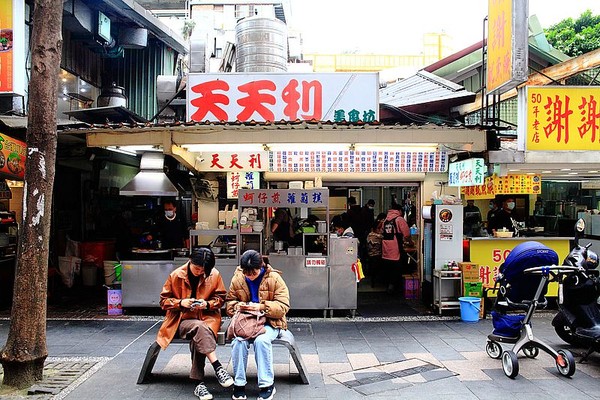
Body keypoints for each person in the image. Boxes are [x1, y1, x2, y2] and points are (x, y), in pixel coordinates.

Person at [156, 248, 233, 400]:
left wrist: (207, 304)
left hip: (207, 318)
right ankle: (218, 367)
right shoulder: (176, 275)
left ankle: (199, 384)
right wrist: (181, 303)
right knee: (199, 328)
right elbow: (163, 302)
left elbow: (221, 299)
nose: (200, 272)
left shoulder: (214, 274)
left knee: (200, 332)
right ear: (190, 261)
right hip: (182, 320)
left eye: (204, 270)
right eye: (197, 268)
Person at [226, 250, 290, 400]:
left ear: (261, 266)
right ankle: (239, 384)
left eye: (253, 273)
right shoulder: (238, 278)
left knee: (262, 341)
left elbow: (283, 306)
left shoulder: (274, 278)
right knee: (238, 342)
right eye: (246, 274)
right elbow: (229, 304)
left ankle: (267, 384)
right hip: (246, 322)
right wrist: (239, 306)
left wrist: (261, 307)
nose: (249, 276)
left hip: (270, 322)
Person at [381, 202, 412, 295]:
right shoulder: (399, 219)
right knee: (397, 268)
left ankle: (389, 285)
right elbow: (406, 234)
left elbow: (382, 231)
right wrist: (410, 242)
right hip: (396, 247)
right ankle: (396, 287)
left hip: (386, 248)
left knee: (389, 268)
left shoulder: (386, 220)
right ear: (399, 211)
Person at [366, 212, 387, 287]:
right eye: (379, 228)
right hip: (377, 256)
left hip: (371, 256)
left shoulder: (369, 235)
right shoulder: (376, 236)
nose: (381, 230)